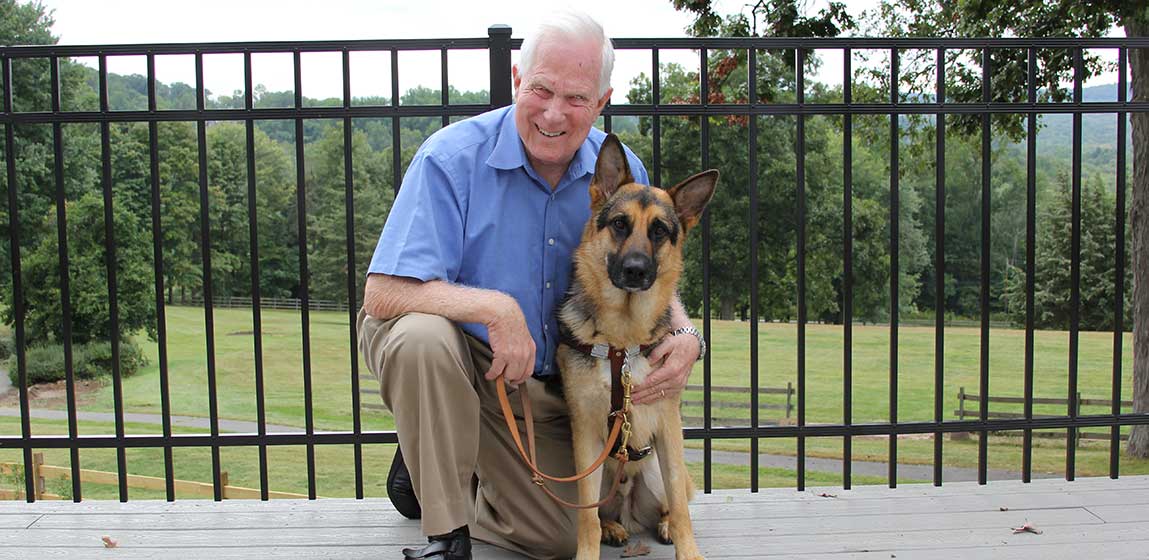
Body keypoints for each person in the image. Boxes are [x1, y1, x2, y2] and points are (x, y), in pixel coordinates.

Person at [357, 11, 705, 560]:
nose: (553, 112)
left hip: (547, 390)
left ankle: (445, 457)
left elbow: (648, 267)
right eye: (540, 89)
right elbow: (382, 293)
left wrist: (686, 332)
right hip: (466, 361)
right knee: (419, 337)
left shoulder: (617, 172)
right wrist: (495, 308)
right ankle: (445, 528)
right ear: (518, 79)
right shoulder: (451, 158)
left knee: (559, 537)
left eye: (575, 98)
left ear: (601, 101)